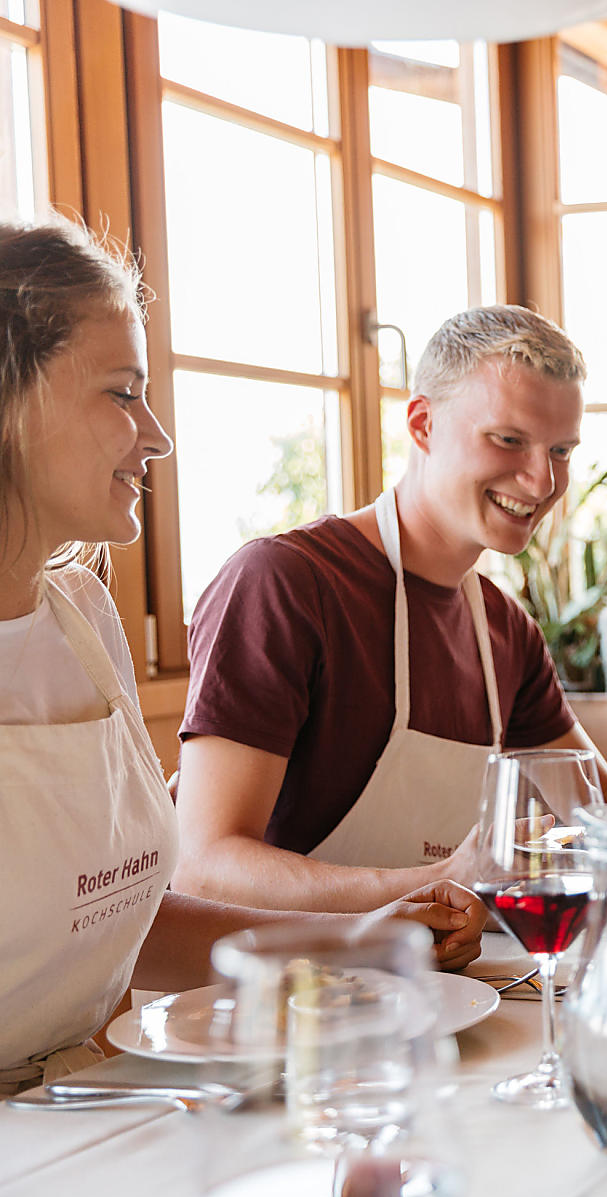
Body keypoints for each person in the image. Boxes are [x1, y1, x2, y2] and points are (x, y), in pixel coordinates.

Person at [0, 217, 483, 1095]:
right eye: (122, 393)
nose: (156, 434)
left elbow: (114, 922)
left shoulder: (81, 619)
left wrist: (367, 937)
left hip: (87, 1102)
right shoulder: (280, 580)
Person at [175, 303, 607, 913]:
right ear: (423, 424)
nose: (542, 482)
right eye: (509, 440)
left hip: (436, 988)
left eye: (561, 450)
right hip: (290, 995)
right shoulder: (285, 584)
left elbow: (591, 799)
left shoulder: (504, 627)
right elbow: (203, 866)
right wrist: (441, 881)